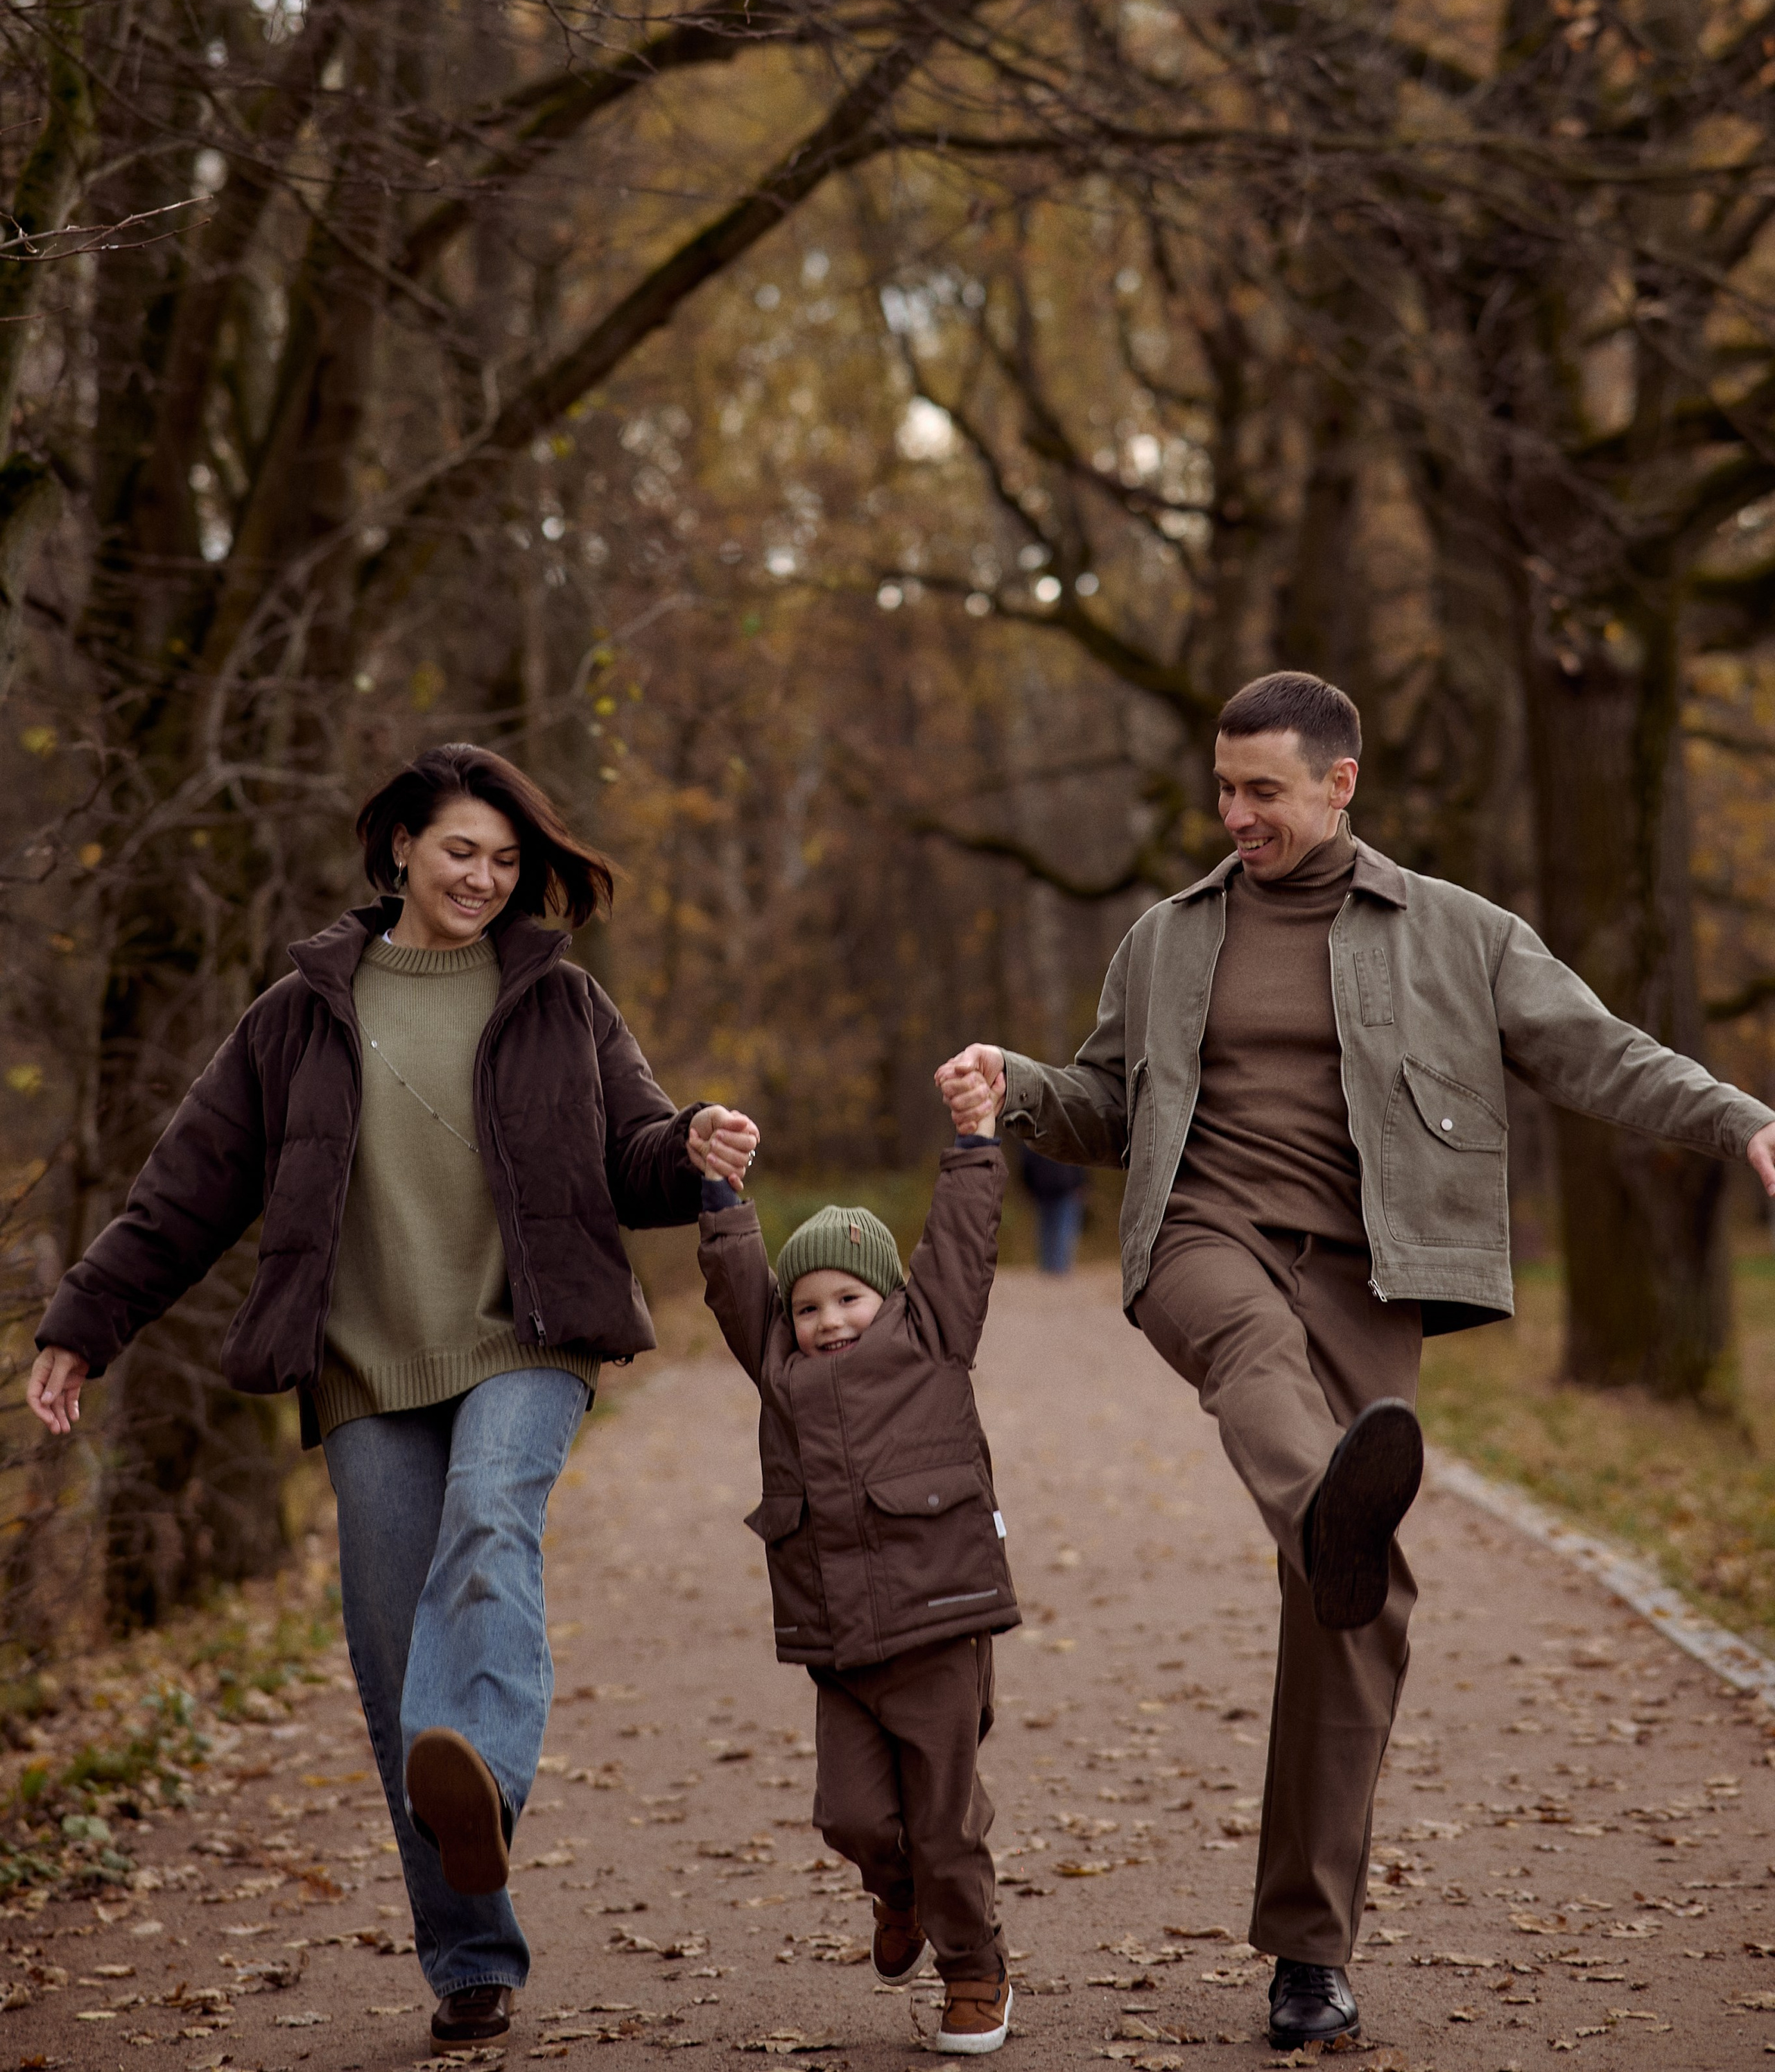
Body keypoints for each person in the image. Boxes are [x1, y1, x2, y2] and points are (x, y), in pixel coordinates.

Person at [935, 670, 1775, 2053]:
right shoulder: (1165, 937)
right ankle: (1329, 1491)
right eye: (1222, 789)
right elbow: (1103, 1105)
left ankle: (1304, 1953)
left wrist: (1735, 1114)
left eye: (1261, 789)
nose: (1233, 814)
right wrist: (1012, 1086)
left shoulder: (1456, 933)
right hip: (1204, 1238)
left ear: (1340, 780)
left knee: (1356, 1599)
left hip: (1373, 1276)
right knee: (1255, 1360)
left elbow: (1592, 1051)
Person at [28, 743, 760, 2054]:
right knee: (388, 1656)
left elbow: (632, 1156)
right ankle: (470, 1957)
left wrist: (696, 1141)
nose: (484, 877)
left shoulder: (561, 1002)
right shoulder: (299, 1015)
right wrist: (85, 1325)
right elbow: (186, 1188)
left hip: (526, 1342)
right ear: (400, 852)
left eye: (504, 857)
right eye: (460, 851)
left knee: (490, 1520)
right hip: (365, 1368)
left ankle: (485, 1775)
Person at [697, 1104, 1021, 2055]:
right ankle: (899, 1893)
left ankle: (974, 1969)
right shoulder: (778, 1369)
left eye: (849, 1297)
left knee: (944, 1821)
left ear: (889, 1296)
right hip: (839, 1646)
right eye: (806, 1306)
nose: (827, 1319)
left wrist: (973, 1143)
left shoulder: (933, 1341)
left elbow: (962, 1243)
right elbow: (733, 1286)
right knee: (849, 1814)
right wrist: (721, 1194)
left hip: (937, 1632)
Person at [1019, 1148, 1090, 1274]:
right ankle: (1058, 1269)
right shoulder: (1066, 1132)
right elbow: (1079, 1160)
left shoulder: (1033, 1137)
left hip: (1047, 1188)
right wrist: (1082, 1183)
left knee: (1047, 1230)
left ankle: (1049, 1268)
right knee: (1062, 1230)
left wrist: (1028, 1188)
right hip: (1063, 1187)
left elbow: (1026, 1165)